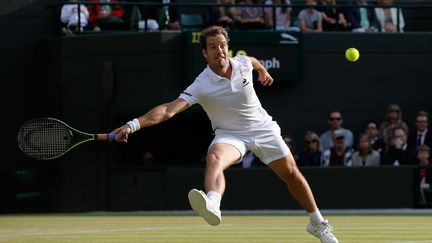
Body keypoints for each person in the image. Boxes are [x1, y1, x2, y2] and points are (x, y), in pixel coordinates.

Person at [112, 26, 339, 243]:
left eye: (222, 45)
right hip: (230, 134)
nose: (219, 50)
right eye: (212, 47)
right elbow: (168, 110)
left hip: (262, 129)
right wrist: (133, 125)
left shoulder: (242, 63)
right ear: (204, 52)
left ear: (227, 47)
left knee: (292, 175)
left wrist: (262, 70)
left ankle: (317, 223)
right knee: (214, 159)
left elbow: (251, 61)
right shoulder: (201, 84)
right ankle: (212, 203)